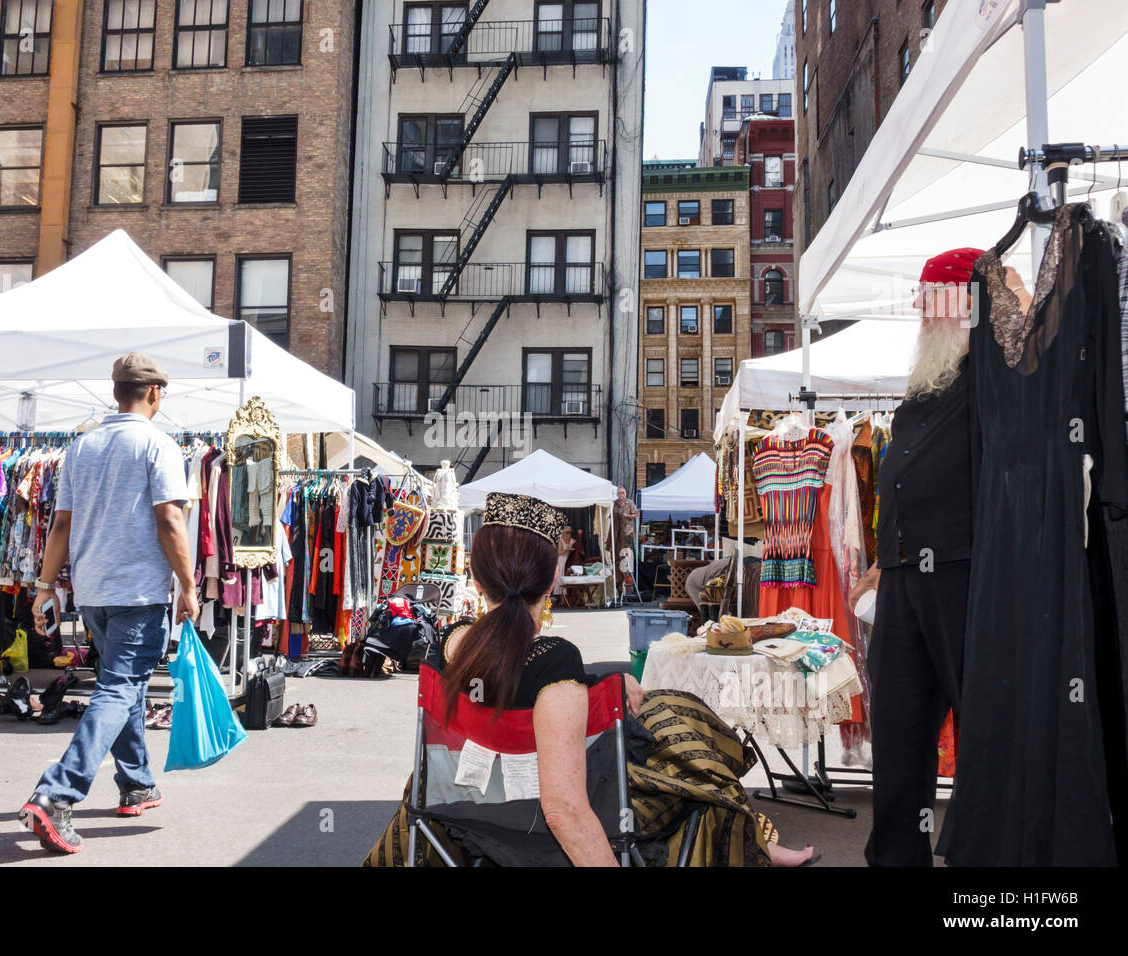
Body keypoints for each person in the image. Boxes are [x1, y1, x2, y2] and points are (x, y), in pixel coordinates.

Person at [365, 492, 816, 867]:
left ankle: (761, 838)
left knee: (667, 720)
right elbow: (564, 811)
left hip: (470, 812)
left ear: (477, 580)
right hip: (538, 828)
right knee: (687, 753)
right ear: (552, 577)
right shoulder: (554, 662)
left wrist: (600, 680)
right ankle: (755, 838)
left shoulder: (452, 646)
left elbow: (518, 671)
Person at [17, 352, 199, 854]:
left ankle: (137, 782)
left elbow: (61, 525)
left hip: (92, 590)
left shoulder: (82, 447)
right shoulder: (158, 445)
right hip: (138, 592)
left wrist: (44, 586)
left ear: (116, 392)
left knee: (126, 687)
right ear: (155, 393)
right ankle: (58, 792)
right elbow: (170, 521)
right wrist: (188, 583)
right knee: (120, 688)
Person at [848, 247, 984, 867]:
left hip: (966, 574)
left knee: (984, 727)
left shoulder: (995, 379)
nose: (918, 311)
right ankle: (898, 857)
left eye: (930, 298)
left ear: (963, 302)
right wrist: (879, 565)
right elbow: (898, 493)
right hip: (903, 582)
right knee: (899, 731)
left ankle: (988, 858)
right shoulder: (919, 397)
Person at [613, 486, 639, 555]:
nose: (621, 494)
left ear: (625, 493)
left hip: (627, 532)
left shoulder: (630, 502)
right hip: (616, 531)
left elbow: (636, 515)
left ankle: (628, 565)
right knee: (617, 550)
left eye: (622, 492)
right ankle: (617, 565)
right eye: (619, 493)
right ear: (617, 494)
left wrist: (627, 515)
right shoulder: (614, 503)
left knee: (627, 551)